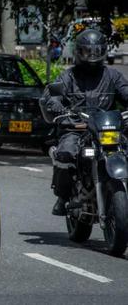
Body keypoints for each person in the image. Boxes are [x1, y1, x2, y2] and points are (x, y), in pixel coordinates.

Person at [40, 29, 128, 216]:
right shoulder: (68, 76)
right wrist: (59, 108)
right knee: (66, 153)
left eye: (96, 51)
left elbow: (125, 92)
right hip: (76, 127)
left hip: (105, 129)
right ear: (79, 52)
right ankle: (63, 197)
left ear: (103, 51)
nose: (92, 56)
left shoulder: (113, 76)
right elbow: (53, 95)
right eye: (88, 51)